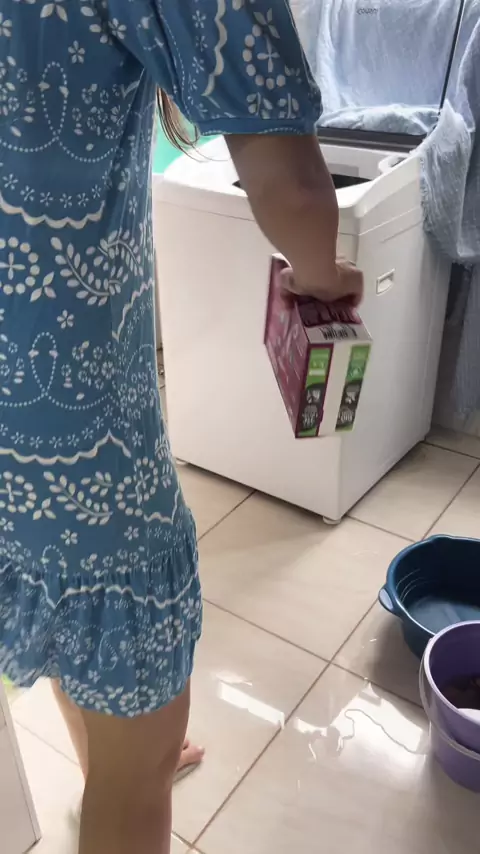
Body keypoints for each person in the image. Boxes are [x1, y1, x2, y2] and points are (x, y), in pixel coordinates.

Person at [0, 2, 363, 853]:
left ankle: (114, 758)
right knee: (112, 614)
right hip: (67, 425)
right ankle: (130, 768)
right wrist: (323, 276)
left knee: (68, 588)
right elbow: (294, 185)